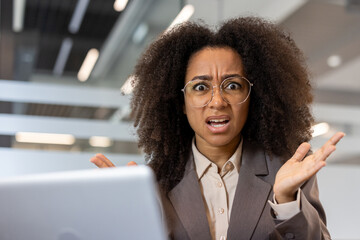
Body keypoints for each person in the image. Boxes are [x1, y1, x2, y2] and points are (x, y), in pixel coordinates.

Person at [90, 17, 344, 239]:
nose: (218, 101)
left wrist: (286, 200)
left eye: (233, 85)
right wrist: (125, 218)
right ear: (181, 101)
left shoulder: (288, 168)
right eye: (200, 87)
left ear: (253, 96)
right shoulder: (154, 181)